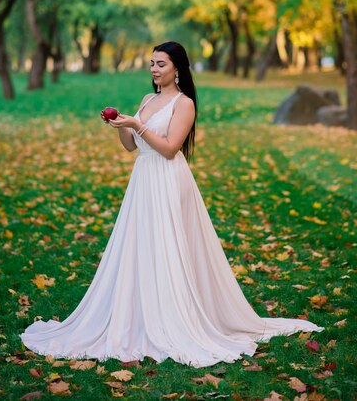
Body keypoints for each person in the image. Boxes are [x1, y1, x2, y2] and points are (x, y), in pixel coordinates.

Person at [20, 41, 323, 367]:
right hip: (143, 179)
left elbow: (169, 148)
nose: (154, 69)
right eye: (152, 63)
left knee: (169, 245)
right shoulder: (147, 99)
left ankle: (175, 314)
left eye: (161, 64)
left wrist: (138, 125)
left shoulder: (184, 104)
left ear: (177, 69)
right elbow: (130, 148)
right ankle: (140, 311)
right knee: (142, 245)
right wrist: (121, 126)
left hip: (168, 179)